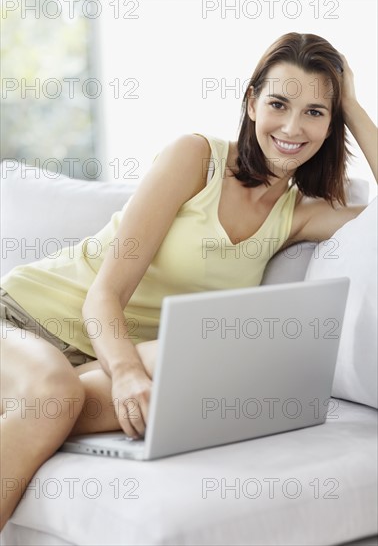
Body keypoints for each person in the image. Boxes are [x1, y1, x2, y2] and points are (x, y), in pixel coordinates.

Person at [1, 31, 377, 529]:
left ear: (332, 125)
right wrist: (129, 373)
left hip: (97, 360)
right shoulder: (196, 158)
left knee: (121, 392)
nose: (291, 126)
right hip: (24, 318)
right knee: (54, 395)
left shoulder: (299, 215)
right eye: (279, 103)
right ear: (251, 103)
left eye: (315, 112)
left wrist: (350, 100)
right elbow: (103, 297)